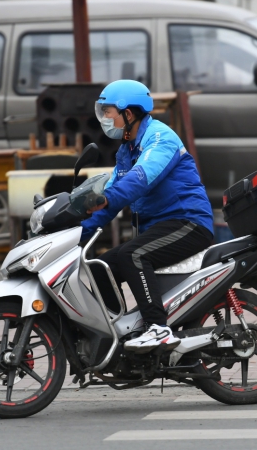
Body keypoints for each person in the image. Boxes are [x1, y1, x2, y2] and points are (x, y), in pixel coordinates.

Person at [81, 80, 214, 354]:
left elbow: (140, 180)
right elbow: (111, 199)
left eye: (109, 112)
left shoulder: (160, 138)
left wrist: (106, 198)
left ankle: (158, 329)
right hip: (160, 228)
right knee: (98, 266)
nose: (105, 118)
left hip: (188, 223)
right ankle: (116, 331)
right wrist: (77, 233)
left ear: (128, 114)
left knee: (133, 255)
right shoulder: (126, 151)